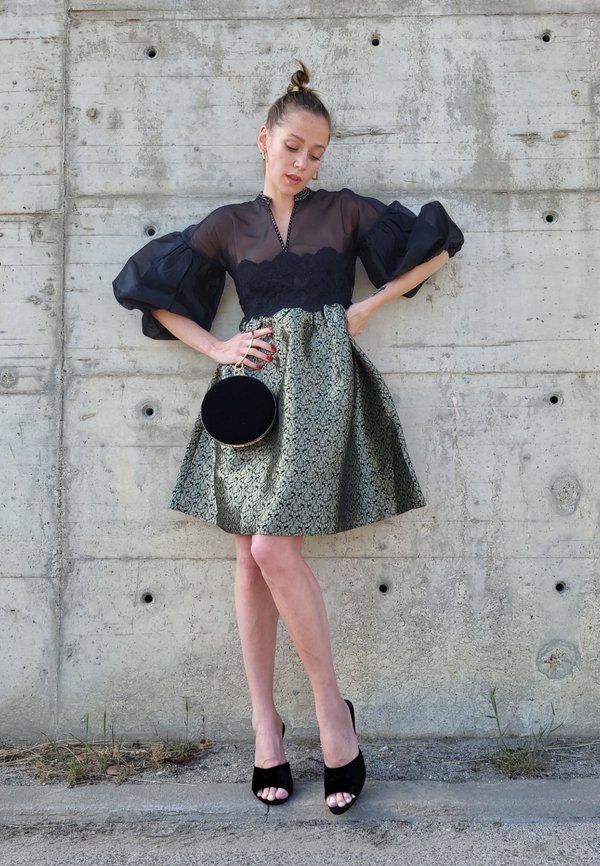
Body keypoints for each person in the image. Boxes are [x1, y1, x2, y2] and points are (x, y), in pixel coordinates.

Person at [113, 61, 464, 814]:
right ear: (264, 139)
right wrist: (216, 347)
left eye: (317, 153)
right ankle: (264, 727)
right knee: (248, 552)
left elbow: (438, 247)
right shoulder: (227, 224)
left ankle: (333, 716)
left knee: (272, 548)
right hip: (250, 395)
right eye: (293, 147)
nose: (304, 163)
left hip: (324, 387)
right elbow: (147, 287)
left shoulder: (345, 211)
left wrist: (367, 307)